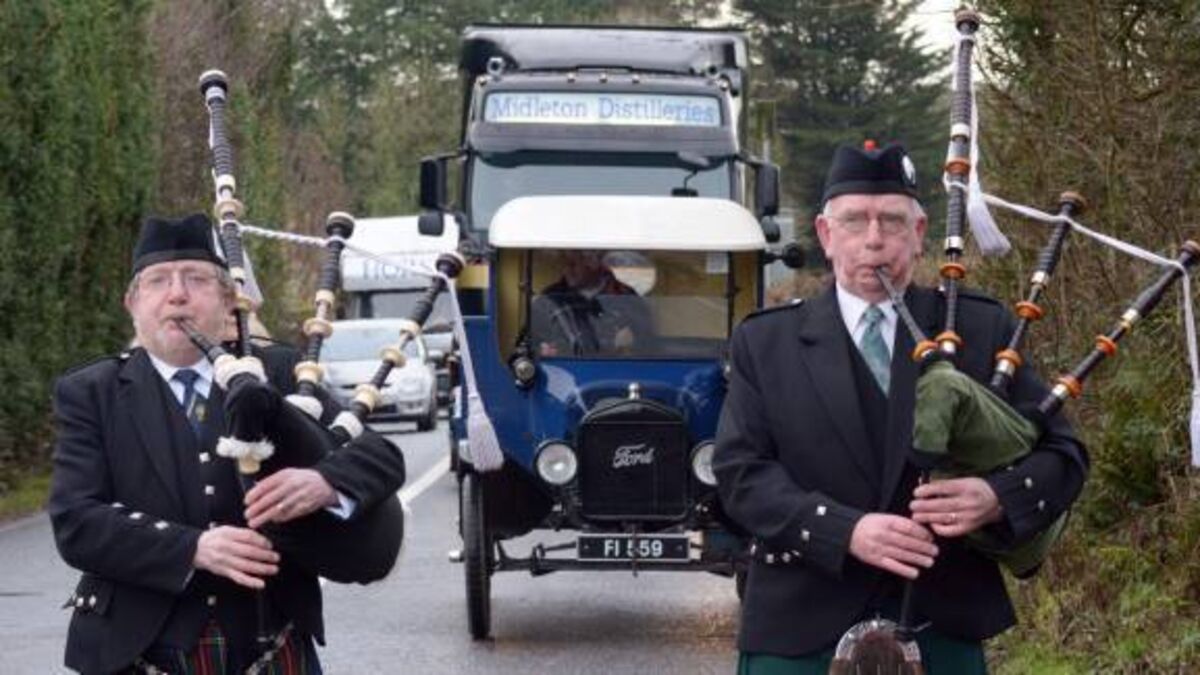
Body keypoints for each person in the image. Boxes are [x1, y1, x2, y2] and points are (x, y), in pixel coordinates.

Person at [713, 143, 1088, 674]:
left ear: (919, 233)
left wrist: (996, 497)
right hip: (799, 624)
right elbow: (740, 475)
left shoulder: (981, 328)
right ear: (825, 234)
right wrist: (844, 530)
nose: (874, 239)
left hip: (941, 620)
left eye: (891, 220)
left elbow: (1065, 456)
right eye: (854, 221)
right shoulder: (765, 342)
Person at [49, 214, 406, 674]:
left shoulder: (277, 373)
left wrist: (325, 482)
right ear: (132, 304)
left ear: (227, 302)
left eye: (195, 279)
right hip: (139, 649)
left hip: (271, 640)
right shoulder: (92, 392)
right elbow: (76, 520)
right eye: (158, 281)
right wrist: (193, 549)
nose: (177, 294)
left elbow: (380, 456)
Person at [530, 249, 653, 357]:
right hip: (564, 373)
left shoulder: (627, 297)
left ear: (594, 263)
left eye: (573, 264)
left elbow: (649, 344)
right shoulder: (548, 300)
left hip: (619, 372)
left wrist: (632, 345)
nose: (567, 270)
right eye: (564, 264)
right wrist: (541, 351)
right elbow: (527, 345)